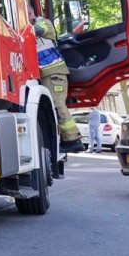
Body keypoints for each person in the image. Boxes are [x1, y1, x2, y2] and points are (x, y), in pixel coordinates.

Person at [34, 14, 83, 153]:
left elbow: (38, 29)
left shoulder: (44, 23)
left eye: (29, 13)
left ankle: (73, 140)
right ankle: (64, 139)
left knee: (57, 103)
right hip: (48, 74)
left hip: (55, 74)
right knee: (54, 106)